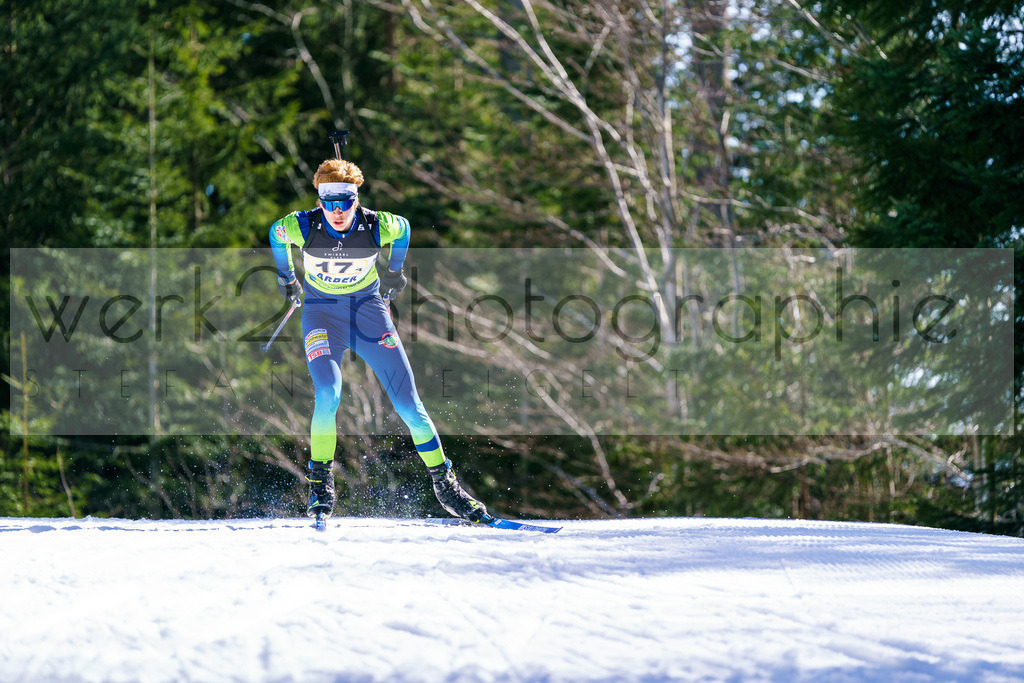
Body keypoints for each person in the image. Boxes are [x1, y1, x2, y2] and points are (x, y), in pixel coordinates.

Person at [269, 158, 487, 522]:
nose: (337, 213)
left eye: (346, 204)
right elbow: (277, 233)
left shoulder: (376, 225)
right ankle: (320, 482)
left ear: (356, 201)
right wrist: (286, 277)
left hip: (368, 313)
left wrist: (394, 272)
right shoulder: (302, 225)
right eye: (329, 205)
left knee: (408, 404)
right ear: (319, 202)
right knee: (328, 393)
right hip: (322, 314)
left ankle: (446, 485)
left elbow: (404, 229)